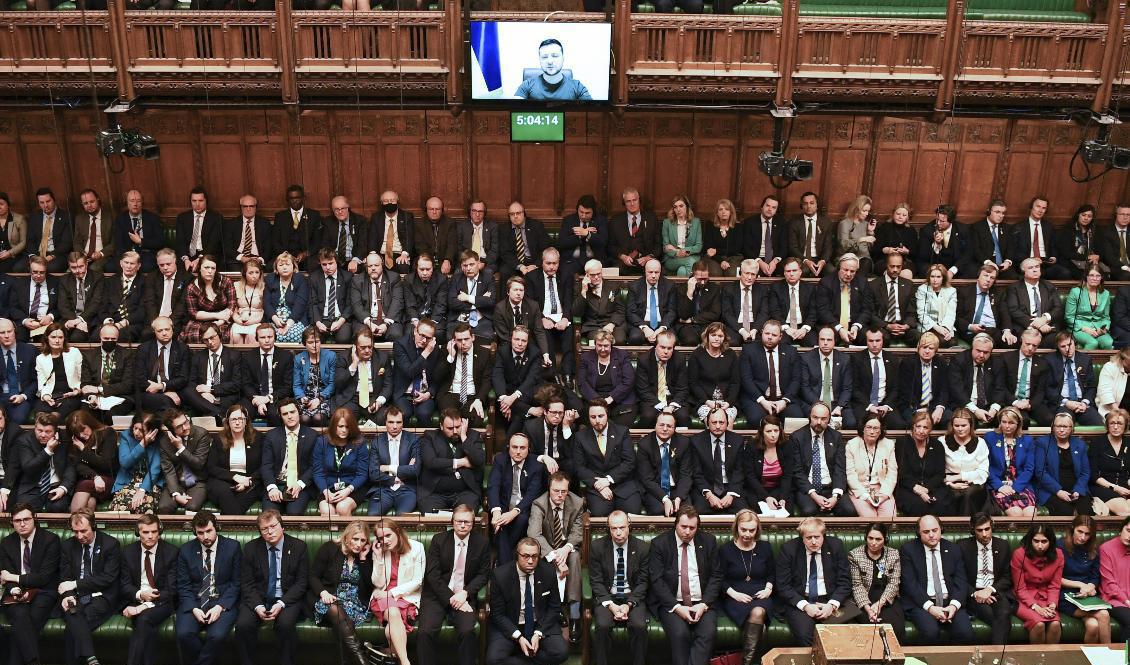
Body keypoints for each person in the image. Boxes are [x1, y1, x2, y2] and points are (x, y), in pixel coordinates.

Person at [417, 505, 491, 665]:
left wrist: (465, 593)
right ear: (452, 522)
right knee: (425, 632)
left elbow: (483, 574)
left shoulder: (482, 543)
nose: (463, 525)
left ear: (473, 523)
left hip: (464, 595)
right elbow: (433, 575)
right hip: (438, 595)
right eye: (459, 522)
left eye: (467, 522)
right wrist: (452, 598)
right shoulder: (439, 540)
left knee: (467, 631)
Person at [235, 510, 308, 665]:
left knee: (285, 625)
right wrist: (257, 605)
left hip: (287, 597)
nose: (270, 532)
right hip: (259, 597)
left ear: (282, 526)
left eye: (273, 526)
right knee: (243, 625)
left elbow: (301, 583)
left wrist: (281, 604)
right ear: (260, 532)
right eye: (264, 529)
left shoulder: (299, 547)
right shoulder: (250, 548)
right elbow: (247, 583)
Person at [647, 506, 719, 665]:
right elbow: (657, 581)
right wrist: (678, 608)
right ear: (675, 524)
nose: (687, 532)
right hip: (672, 603)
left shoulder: (708, 541)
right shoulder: (660, 544)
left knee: (707, 633)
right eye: (683, 527)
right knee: (680, 633)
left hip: (702, 602)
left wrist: (704, 605)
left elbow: (716, 576)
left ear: (697, 527)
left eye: (692, 528)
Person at [486, 536, 569, 665]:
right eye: (525, 556)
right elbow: (497, 614)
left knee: (561, 653)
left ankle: (520, 657)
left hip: (540, 624)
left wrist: (539, 633)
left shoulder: (548, 572)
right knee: (494, 659)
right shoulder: (500, 575)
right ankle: (527, 654)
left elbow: (554, 608)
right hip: (511, 624)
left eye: (534, 556)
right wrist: (518, 637)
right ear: (517, 555)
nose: (530, 561)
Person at [775, 516, 854, 647]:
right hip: (801, 600)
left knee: (841, 635)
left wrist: (832, 605)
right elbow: (783, 586)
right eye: (808, 537)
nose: (813, 542)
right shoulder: (789, 549)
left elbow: (845, 582)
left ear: (823, 535)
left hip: (829, 599)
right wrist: (806, 606)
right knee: (805, 635)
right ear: (802, 538)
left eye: (817, 537)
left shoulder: (835, 546)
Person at [175, 511, 241, 665]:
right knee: (184, 634)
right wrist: (193, 608)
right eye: (200, 533)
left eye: (209, 531)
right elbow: (183, 585)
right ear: (195, 532)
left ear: (216, 528)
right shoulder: (186, 550)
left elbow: (236, 583)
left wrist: (220, 606)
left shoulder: (233, 547)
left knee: (216, 636)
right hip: (195, 602)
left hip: (222, 601)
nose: (205, 537)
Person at [0, 503, 61, 665]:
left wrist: (14, 578)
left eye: (26, 519)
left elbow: (44, 578)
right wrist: (15, 589)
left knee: (24, 625)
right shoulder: (6, 543)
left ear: (34, 519)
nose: (22, 524)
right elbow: (6, 578)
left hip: (43, 592)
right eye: (17, 520)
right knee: (21, 617)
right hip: (15, 595)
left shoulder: (50, 540)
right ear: (12, 522)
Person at [59, 508, 121, 665]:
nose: (79, 536)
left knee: (72, 628)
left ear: (94, 526)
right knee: (73, 613)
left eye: (83, 531)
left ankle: (88, 656)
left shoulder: (110, 544)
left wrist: (75, 584)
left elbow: (107, 579)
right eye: (75, 531)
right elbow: (64, 578)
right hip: (76, 596)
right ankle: (91, 658)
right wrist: (67, 596)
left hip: (101, 596)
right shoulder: (67, 546)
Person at [527, 472, 585, 639]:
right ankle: (557, 607)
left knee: (574, 557)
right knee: (546, 562)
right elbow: (534, 534)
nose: (560, 495)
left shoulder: (577, 502)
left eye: (564, 491)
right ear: (549, 488)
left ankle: (575, 616)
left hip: (567, 547)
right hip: (548, 549)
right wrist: (555, 557)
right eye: (556, 491)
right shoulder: (539, 504)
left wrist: (566, 549)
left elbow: (578, 531)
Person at [899, 515, 973, 645]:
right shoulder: (908, 550)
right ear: (918, 533)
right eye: (926, 532)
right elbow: (910, 584)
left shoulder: (954, 549)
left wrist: (953, 606)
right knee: (930, 632)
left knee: (965, 633)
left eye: (935, 530)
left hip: (949, 601)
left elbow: (960, 581)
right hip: (922, 603)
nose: (931, 535)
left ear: (941, 529)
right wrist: (931, 608)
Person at [310, 520, 373, 665]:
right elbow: (313, 576)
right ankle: (363, 661)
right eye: (355, 539)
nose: (359, 544)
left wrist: (363, 559)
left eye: (363, 540)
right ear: (346, 537)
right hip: (330, 598)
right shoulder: (330, 548)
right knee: (336, 611)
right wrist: (323, 592)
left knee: (344, 623)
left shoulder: (365, 556)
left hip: (355, 603)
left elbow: (370, 584)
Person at [716, 510, 774, 665]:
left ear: (757, 529)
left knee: (758, 611)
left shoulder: (765, 547)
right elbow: (719, 579)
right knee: (759, 626)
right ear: (736, 528)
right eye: (744, 530)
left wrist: (768, 589)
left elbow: (771, 574)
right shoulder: (725, 550)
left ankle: (746, 662)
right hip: (735, 597)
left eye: (752, 530)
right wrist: (734, 594)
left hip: (761, 595)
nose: (747, 534)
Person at [120, 514, 178, 665]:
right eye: (145, 532)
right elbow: (124, 585)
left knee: (143, 619)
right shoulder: (128, 552)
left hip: (163, 603)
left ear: (160, 532)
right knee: (144, 624)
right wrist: (140, 595)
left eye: (154, 532)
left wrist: (143, 607)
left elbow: (172, 590)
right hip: (135, 599)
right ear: (138, 532)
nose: (150, 536)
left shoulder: (171, 552)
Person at [368, 518, 425, 665]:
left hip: (406, 596)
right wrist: (379, 558)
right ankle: (406, 662)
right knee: (393, 612)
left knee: (389, 631)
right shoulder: (380, 551)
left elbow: (417, 581)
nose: (385, 541)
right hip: (381, 596)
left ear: (397, 532)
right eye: (381, 538)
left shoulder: (417, 548)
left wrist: (392, 593)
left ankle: (392, 654)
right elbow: (378, 583)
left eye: (388, 535)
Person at [957, 513, 1015, 645]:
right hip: (974, 593)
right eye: (979, 530)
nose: (984, 534)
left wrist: (989, 589)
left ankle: (995, 656)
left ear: (992, 527)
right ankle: (998, 656)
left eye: (987, 529)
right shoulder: (962, 546)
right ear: (973, 529)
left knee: (1004, 612)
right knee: (993, 616)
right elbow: (959, 577)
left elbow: (1008, 576)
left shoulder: (1003, 545)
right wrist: (975, 593)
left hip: (995, 591)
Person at [791, 402, 855, 517]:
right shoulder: (797, 437)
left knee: (849, 511)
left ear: (829, 420)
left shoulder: (836, 437)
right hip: (807, 489)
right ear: (809, 417)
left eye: (823, 419)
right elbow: (797, 471)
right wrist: (814, 496)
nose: (819, 422)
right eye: (815, 418)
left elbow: (839, 469)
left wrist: (835, 497)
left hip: (830, 487)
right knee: (808, 511)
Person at [487, 433, 544, 562]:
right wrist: (496, 512)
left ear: (528, 449)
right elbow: (493, 486)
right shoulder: (500, 459)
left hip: (524, 508)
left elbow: (532, 494)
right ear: (508, 447)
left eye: (522, 448)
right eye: (514, 447)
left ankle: (501, 566)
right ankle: (509, 565)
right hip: (503, 506)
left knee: (521, 519)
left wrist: (514, 512)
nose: (518, 452)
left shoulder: (535, 464)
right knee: (500, 526)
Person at [417, 408, 486, 512]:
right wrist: (460, 462)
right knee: (433, 519)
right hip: (435, 494)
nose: (455, 431)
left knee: (465, 515)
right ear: (441, 426)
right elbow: (431, 462)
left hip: (465, 492)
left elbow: (479, 460)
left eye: (458, 427)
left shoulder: (472, 436)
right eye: (450, 428)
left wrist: (463, 437)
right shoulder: (429, 437)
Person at [1058, 515, 1112, 644]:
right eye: (1080, 532)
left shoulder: (1093, 548)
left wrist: (1090, 587)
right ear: (1072, 529)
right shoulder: (1060, 545)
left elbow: (1095, 576)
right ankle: (1112, 656)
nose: (1083, 537)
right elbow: (1055, 578)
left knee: (1093, 626)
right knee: (1103, 614)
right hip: (1064, 595)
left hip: (1086, 595)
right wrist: (1080, 585)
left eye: (1087, 534)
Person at [261, 398, 319, 515]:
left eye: (292, 412)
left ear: (299, 412)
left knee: (294, 512)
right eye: (285, 414)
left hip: (300, 484)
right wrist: (272, 487)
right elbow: (266, 465)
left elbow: (315, 465)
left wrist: (301, 483)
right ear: (281, 417)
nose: (289, 416)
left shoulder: (312, 435)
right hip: (278, 483)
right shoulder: (271, 436)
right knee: (269, 514)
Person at [847, 523, 905, 641]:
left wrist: (880, 604)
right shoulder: (855, 555)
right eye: (870, 538)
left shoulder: (893, 554)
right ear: (865, 537)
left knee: (896, 629)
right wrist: (869, 609)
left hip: (887, 599)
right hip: (863, 600)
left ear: (885, 539)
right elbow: (857, 585)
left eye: (878, 539)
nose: (873, 543)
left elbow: (894, 583)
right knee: (869, 628)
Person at [740, 320, 803, 424]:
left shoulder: (791, 352)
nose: (770, 337)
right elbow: (746, 380)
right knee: (756, 419)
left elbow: (796, 380)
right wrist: (762, 401)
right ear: (762, 333)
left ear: (780, 337)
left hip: (783, 399)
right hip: (758, 399)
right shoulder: (749, 350)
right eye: (767, 333)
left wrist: (785, 400)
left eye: (774, 335)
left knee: (796, 419)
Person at [205, 404, 264, 516]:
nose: (237, 422)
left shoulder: (258, 438)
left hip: (249, 481)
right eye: (234, 419)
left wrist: (248, 481)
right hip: (223, 480)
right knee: (224, 493)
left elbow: (263, 465)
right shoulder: (219, 439)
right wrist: (234, 476)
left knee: (238, 502)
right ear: (228, 422)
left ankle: (220, 523)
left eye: (241, 419)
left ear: (246, 421)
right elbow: (211, 467)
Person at [8, 412, 74, 511]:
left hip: (56, 486)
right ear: (35, 428)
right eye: (39, 430)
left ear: (56, 432)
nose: (43, 435)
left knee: (58, 507)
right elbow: (29, 468)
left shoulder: (65, 439)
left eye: (48, 431)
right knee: (23, 510)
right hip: (32, 486)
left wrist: (64, 488)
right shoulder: (25, 441)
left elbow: (71, 467)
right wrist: (48, 450)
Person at [311, 407, 369, 518]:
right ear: (334, 426)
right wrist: (325, 491)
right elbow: (318, 473)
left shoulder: (359, 443)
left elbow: (362, 474)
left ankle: (347, 535)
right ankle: (335, 535)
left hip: (353, 487)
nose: (344, 430)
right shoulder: (321, 442)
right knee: (327, 511)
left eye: (348, 427)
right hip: (328, 487)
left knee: (342, 507)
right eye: (341, 426)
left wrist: (347, 490)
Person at [1012, 523, 1064, 644]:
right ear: (1030, 540)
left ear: (1050, 541)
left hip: (1046, 597)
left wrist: (1052, 605)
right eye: (1036, 541)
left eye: (1044, 541)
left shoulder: (1059, 555)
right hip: (1023, 599)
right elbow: (1020, 589)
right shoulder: (1019, 554)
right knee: (1039, 624)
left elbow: (1054, 585)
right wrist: (1036, 607)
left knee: (1055, 624)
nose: (1040, 546)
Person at [689, 407, 747, 514]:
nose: (718, 426)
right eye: (714, 422)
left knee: (743, 513)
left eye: (721, 422)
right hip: (708, 488)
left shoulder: (737, 440)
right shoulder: (696, 441)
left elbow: (739, 472)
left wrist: (731, 494)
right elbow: (697, 473)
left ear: (727, 422)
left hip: (730, 487)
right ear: (707, 423)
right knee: (698, 512)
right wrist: (709, 494)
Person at [895, 412, 954, 516]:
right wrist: (918, 490)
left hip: (932, 487)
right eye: (918, 426)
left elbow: (939, 474)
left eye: (925, 427)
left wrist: (926, 489)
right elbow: (901, 473)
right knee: (919, 505)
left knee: (939, 504)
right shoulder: (902, 443)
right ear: (913, 426)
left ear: (930, 429)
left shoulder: (937, 445)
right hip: (909, 487)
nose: (921, 431)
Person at [182, 322, 242, 422]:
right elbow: (192, 383)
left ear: (219, 335)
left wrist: (211, 390)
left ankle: (213, 412)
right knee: (187, 391)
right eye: (206, 340)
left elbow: (236, 384)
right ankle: (218, 414)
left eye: (212, 337)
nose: (210, 342)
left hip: (224, 397)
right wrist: (203, 394)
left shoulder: (234, 355)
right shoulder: (198, 357)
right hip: (203, 397)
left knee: (231, 399)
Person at [985, 406, 1039, 517]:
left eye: (1011, 423)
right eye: (1004, 422)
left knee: (1031, 513)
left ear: (1018, 424)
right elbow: (986, 466)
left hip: (1021, 485)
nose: (1007, 426)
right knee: (1016, 512)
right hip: (999, 485)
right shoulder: (990, 438)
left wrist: (1015, 488)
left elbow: (1029, 469)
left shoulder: (1027, 440)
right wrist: (1000, 486)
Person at [1036, 411, 1092, 515]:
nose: (1061, 430)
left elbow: (1085, 472)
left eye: (1065, 427)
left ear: (1072, 428)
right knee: (1065, 511)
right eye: (1058, 426)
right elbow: (1040, 472)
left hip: (1076, 489)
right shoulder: (1043, 443)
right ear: (1053, 427)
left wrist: (1078, 490)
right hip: (1051, 490)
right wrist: (1058, 491)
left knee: (1085, 511)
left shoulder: (1080, 444)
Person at [334, 327, 393, 427]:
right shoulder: (344, 356)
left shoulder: (382, 357)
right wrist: (354, 364)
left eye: (370, 347)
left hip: (373, 398)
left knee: (384, 419)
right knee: (344, 421)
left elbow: (388, 385)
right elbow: (338, 383)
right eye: (363, 347)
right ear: (355, 346)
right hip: (350, 398)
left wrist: (378, 402)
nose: (367, 350)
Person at [367, 406, 420, 516]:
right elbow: (373, 473)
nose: (395, 426)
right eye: (391, 422)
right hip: (383, 489)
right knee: (373, 515)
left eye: (398, 422)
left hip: (406, 489)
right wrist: (395, 478)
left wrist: (387, 468)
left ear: (403, 422)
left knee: (402, 516)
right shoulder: (377, 442)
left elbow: (415, 470)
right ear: (385, 422)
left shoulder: (414, 440)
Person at [850, 326, 906, 429]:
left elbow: (896, 388)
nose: (874, 344)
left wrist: (886, 406)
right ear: (866, 341)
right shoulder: (857, 359)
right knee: (858, 424)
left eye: (877, 340)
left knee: (899, 425)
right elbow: (855, 389)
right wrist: (870, 406)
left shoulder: (892, 359)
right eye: (871, 341)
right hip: (864, 404)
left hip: (885, 404)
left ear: (883, 341)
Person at [434, 323, 490, 425]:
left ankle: (469, 441)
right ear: (454, 341)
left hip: (473, 396)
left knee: (476, 417)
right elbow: (437, 377)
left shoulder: (484, 353)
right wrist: (450, 357)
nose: (463, 343)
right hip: (451, 394)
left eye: (466, 339)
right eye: (459, 340)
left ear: (472, 337)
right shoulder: (446, 351)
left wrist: (479, 399)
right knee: (449, 420)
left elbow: (487, 380)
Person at [578, 330, 636, 427]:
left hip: (620, 398)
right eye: (599, 345)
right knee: (590, 420)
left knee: (622, 425)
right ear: (595, 344)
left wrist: (611, 398)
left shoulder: (622, 355)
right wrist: (597, 401)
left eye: (606, 346)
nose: (602, 349)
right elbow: (582, 382)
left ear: (611, 345)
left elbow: (628, 380)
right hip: (594, 398)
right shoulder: (586, 358)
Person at [240, 323, 295, 426]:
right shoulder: (248, 357)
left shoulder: (286, 356)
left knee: (275, 414)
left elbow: (288, 387)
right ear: (257, 339)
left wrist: (267, 398)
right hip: (254, 396)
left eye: (269, 337)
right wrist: (257, 400)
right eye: (262, 337)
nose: (266, 340)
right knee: (242, 414)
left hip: (277, 397)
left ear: (275, 337)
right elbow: (246, 384)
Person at [109, 413, 162, 514]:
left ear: (152, 431)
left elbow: (155, 468)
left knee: (145, 506)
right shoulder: (126, 436)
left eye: (141, 430)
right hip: (128, 480)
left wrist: (142, 490)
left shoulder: (159, 441)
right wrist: (142, 444)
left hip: (150, 481)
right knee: (121, 506)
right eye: (135, 428)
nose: (136, 433)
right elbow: (125, 463)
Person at [947, 332, 1005, 427]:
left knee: (1006, 420)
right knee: (969, 421)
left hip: (989, 406)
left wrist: (993, 409)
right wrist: (975, 410)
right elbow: (957, 390)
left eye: (986, 352)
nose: (981, 355)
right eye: (978, 351)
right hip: (965, 405)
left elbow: (1000, 388)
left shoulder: (997, 363)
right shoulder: (959, 360)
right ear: (972, 348)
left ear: (991, 352)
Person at [844, 415, 897, 517]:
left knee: (889, 519)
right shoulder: (852, 445)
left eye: (876, 428)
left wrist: (884, 495)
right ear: (863, 428)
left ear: (881, 430)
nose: (872, 432)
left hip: (882, 488)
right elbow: (850, 475)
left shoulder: (888, 445)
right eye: (868, 427)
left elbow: (892, 473)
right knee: (869, 518)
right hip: (860, 489)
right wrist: (865, 496)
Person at [1046, 331, 1102, 426]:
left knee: (1098, 425)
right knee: (1063, 425)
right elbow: (1049, 389)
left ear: (1074, 343)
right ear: (1058, 348)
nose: (1067, 349)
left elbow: (1091, 386)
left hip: (1082, 403)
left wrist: (1085, 402)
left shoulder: (1085, 359)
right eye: (1063, 346)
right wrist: (1066, 402)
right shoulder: (1050, 361)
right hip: (1063, 403)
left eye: (1069, 344)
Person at [687, 322, 740, 423]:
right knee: (714, 422)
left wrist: (729, 402)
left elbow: (735, 383)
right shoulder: (697, 354)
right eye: (713, 335)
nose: (717, 338)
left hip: (727, 402)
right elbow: (693, 384)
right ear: (707, 336)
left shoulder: (731, 354)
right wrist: (707, 402)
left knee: (727, 421)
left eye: (720, 336)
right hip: (705, 401)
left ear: (724, 338)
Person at [1005, 258, 1064, 348]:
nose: (1035, 269)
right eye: (1030, 267)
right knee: (1025, 341)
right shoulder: (1014, 288)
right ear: (1023, 271)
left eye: (1037, 267)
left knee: (1056, 341)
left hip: (1047, 327)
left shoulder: (1049, 286)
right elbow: (1014, 310)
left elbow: (1058, 308)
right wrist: (1037, 324)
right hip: (1024, 327)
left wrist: (1044, 319)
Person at [65, 409, 116, 512]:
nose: (81, 435)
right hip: (88, 479)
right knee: (90, 502)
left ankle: (74, 523)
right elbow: (78, 465)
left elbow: (106, 464)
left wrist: (84, 450)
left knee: (85, 485)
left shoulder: (107, 433)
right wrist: (95, 476)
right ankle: (86, 527)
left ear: (89, 423)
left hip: (108, 479)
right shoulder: (76, 441)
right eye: (77, 433)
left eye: (83, 429)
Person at [392, 318, 441, 426]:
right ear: (415, 331)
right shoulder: (400, 345)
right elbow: (410, 372)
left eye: (428, 338)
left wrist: (428, 394)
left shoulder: (435, 349)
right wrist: (426, 352)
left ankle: (426, 442)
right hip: (404, 394)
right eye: (422, 335)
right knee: (403, 414)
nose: (424, 340)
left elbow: (438, 377)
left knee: (424, 413)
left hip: (425, 393)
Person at [941, 408, 989, 515]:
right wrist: (949, 483)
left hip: (974, 482)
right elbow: (937, 470)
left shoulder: (981, 443)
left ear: (971, 425)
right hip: (948, 482)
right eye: (956, 426)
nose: (960, 429)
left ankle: (967, 528)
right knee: (951, 496)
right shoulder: (942, 442)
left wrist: (959, 477)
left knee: (968, 495)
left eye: (964, 426)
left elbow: (983, 473)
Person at [896, 332, 949, 428]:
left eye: (931, 348)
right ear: (918, 348)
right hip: (912, 406)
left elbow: (944, 389)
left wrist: (939, 408)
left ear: (936, 350)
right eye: (924, 347)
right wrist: (918, 410)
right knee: (913, 423)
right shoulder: (908, 363)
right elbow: (905, 391)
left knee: (948, 419)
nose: (927, 351)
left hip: (933, 406)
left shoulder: (941, 363)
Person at [1009, 196, 1069, 279]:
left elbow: (1054, 246)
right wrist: (1032, 259)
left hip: (1045, 263)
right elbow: (1014, 251)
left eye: (1044, 208)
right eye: (1038, 206)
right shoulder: (1019, 227)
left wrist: (1053, 257)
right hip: (1028, 262)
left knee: (1065, 273)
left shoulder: (1049, 227)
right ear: (1031, 207)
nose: (1040, 210)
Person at [818, 253, 872, 346]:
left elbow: (867, 309)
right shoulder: (826, 283)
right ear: (839, 267)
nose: (848, 274)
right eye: (845, 270)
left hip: (855, 325)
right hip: (833, 325)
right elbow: (823, 311)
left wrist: (856, 326)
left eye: (852, 271)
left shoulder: (862, 283)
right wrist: (839, 328)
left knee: (872, 340)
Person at [745, 414, 793, 518]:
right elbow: (750, 476)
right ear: (762, 432)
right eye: (769, 431)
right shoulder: (752, 445)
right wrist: (766, 497)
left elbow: (787, 475)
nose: (773, 435)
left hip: (779, 488)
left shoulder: (787, 445)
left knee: (786, 510)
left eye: (776, 431)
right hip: (757, 489)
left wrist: (783, 498)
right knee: (756, 510)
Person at [956, 263, 1016, 346]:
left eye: (992, 278)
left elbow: (1004, 314)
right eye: (985, 275)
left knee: (1011, 341)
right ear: (978, 276)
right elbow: (957, 317)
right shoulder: (964, 292)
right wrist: (971, 327)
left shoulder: (999, 293)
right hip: (971, 331)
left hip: (993, 331)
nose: (988, 280)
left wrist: (1007, 331)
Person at [514, 38, 591, 100]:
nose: (550, 61)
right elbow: (513, 113)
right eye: (544, 57)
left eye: (555, 56)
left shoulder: (577, 87)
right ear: (540, 60)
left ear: (563, 58)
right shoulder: (527, 85)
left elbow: (591, 114)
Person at [181, 255, 235, 344]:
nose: (210, 271)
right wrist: (217, 315)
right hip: (201, 319)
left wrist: (221, 321)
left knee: (221, 335)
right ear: (199, 268)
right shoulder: (192, 287)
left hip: (223, 319)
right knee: (195, 335)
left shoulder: (226, 282)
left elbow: (232, 304)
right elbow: (193, 313)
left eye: (213, 268)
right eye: (206, 267)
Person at [34, 323, 83, 419]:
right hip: (51, 395)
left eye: (60, 337)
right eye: (53, 337)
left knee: (54, 417)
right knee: (40, 415)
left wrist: (76, 391)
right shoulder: (41, 358)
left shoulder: (74, 352)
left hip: (70, 395)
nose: (57, 341)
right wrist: (46, 397)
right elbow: (41, 383)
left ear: (64, 339)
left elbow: (83, 377)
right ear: (47, 338)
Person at [608, 187, 661, 276]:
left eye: (634, 200)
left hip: (646, 261)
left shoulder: (651, 218)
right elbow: (610, 246)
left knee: (654, 269)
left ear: (639, 200)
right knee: (617, 270)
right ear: (624, 203)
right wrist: (623, 257)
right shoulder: (615, 221)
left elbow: (658, 244)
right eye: (628, 201)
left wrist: (649, 257)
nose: (632, 204)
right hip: (623, 262)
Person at [870, 253, 920, 346]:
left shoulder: (909, 285)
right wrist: (887, 326)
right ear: (886, 265)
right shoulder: (874, 285)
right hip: (883, 326)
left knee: (918, 337)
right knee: (883, 338)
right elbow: (871, 313)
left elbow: (912, 311)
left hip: (903, 326)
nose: (895, 270)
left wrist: (906, 326)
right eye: (892, 266)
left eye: (898, 266)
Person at [574, 258, 626, 344]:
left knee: (620, 340)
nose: (596, 277)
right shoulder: (579, 288)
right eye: (592, 275)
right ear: (586, 275)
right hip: (593, 326)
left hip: (612, 324)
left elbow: (620, 310)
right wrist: (583, 292)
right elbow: (577, 313)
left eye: (598, 274)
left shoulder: (613, 287)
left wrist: (612, 324)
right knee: (600, 341)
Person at [57, 252, 104, 343]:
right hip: (69, 319)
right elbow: (63, 305)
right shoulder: (64, 280)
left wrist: (80, 319)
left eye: (81, 266)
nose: (77, 271)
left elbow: (96, 303)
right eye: (73, 268)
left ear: (86, 264)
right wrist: (75, 322)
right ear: (69, 266)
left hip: (89, 319)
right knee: (56, 336)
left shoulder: (97, 277)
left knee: (77, 337)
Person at [0, 317, 40, 425]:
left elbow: (37, 380)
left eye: (9, 331)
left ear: (15, 331)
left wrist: (23, 396)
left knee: (18, 418)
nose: (7, 335)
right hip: (1, 396)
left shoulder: (30, 351)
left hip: (22, 395)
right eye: (2, 333)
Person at [272, 185, 321, 272]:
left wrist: (305, 254)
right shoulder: (280, 217)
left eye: (297, 197)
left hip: (306, 256)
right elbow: (275, 241)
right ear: (287, 200)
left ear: (303, 198)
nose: (295, 201)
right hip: (285, 255)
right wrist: (286, 255)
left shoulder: (314, 215)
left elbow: (317, 241)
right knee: (270, 267)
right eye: (291, 198)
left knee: (313, 266)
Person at [293, 327, 335, 427]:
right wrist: (302, 397)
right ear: (305, 344)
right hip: (306, 398)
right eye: (310, 342)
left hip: (324, 397)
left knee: (318, 418)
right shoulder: (299, 358)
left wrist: (319, 399)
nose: (314, 345)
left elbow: (332, 384)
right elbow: (296, 385)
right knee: (304, 419)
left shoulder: (330, 356)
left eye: (317, 341)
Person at [310, 247, 354, 344]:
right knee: (313, 339)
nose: (328, 267)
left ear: (336, 262)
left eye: (330, 263)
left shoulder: (347, 277)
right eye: (324, 264)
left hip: (341, 319)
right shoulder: (314, 278)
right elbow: (313, 303)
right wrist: (318, 322)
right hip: (322, 319)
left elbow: (350, 304)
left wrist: (340, 321)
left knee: (343, 338)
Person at [1090, 408, 1130, 515]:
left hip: (1125, 487)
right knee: (1126, 511)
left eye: (1119, 423)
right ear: (1107, 425)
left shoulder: (1128, 443)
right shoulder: (1097, 443)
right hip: (1104, 487)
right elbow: (1093, 475)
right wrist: (1115, 488)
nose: (1115, 427)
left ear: (1125, 426)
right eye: (1112, 423)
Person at [12, 254, 59, 343]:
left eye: (42, 272)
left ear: (46, 270)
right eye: (35, 272)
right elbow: (13, 308)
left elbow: (61, 306)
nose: (38, 275)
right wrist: (25, 320)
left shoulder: (55, 282)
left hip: (47, 324)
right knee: (18, 339)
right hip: (26, 323)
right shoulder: (19, 284)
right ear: (30, 270)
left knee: (50, 339)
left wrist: (50, 316)